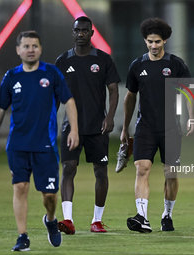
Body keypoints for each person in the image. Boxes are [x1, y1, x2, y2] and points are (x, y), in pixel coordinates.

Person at [0, 31, 79, 251]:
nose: (30, 50)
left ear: (40, 49)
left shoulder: (52, 74)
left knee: (49, 195)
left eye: (35, 46)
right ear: (18, 50)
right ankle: (22, 236)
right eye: (26, 46)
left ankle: (51, 219)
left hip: (44, 145)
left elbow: (69, 101)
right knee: (20, 187)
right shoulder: (11, 77)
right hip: (17, 145)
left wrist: (74, 129)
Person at [120, 18, 194, 233]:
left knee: (171, 173)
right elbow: (130, 97)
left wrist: (191, 117)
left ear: (165, 41)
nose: (154, 46)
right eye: (150, 41)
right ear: (145, 40)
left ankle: (167, 214)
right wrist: (125, 128)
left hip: (171, 128)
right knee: (142, 169)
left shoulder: (175, 64)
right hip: (145, 128)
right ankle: (142, 217)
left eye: (158, 42)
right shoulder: (137, 66)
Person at [55, 16, 120, 234]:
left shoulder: (103, 59)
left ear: (92, 33)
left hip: (97, 126)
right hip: (71, 127)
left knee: (101, 172)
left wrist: (110, 117)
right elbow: (55, 96)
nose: (80, 34)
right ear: (72, 33)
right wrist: (48, 122)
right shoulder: (62, 61)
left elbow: (113, 90)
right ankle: (68, 220)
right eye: (77, 31)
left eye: (85, 31)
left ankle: (97, 220)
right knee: (68, 168)